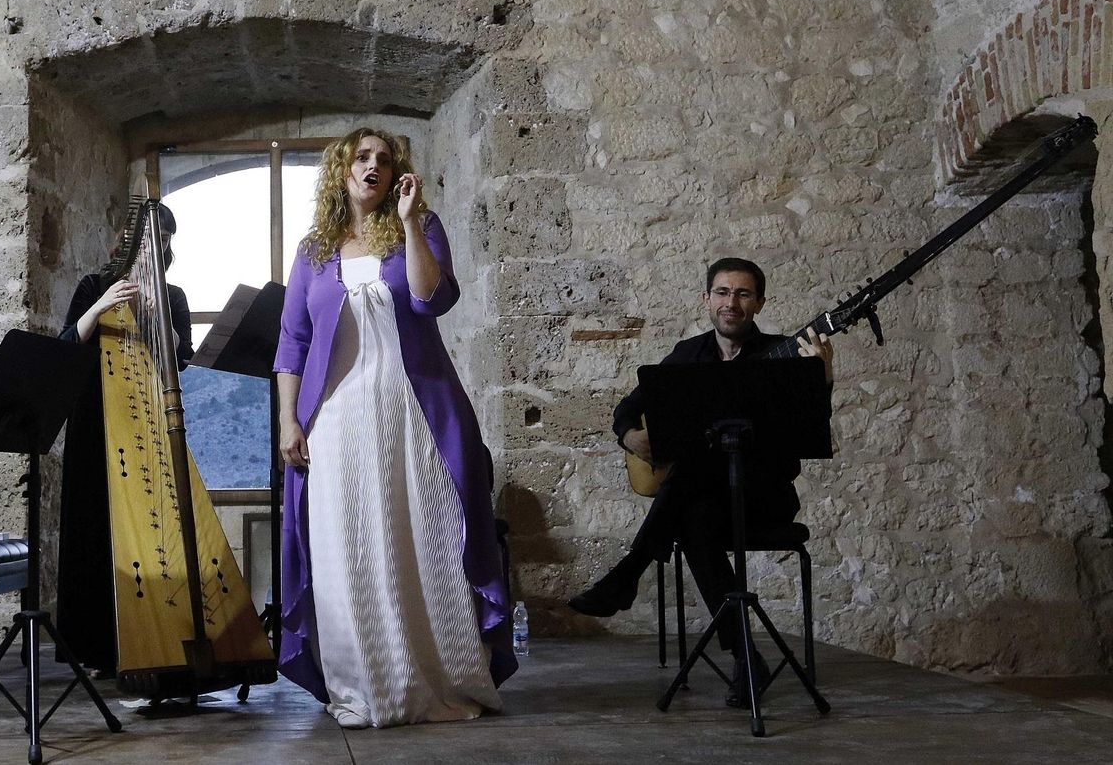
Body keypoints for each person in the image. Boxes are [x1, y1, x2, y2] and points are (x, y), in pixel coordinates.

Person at [274, 127, 516, 729]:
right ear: (342, 170)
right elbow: (292, 344)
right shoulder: (313, 252)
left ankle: (441, 680)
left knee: (423, 543)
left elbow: (430, 298)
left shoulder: (423, 228)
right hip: (336, 420)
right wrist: (288, 420)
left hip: (413, 414)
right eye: (362, 157)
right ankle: (362, 686)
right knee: (345, 547)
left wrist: (409, 223)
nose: (374, 167)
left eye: (385, 159)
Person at [567, 257, 834, 705]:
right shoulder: (687, 356)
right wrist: (630, 436)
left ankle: (629, 572)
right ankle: (747, 657)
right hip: (704, 504)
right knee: (695, 518)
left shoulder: (784, 355)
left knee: (695, 484)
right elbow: (627, 410)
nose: (732, 302)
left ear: (760, 303)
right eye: (723, 292)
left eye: (744, 294)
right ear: (707, 300)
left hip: (764, 497)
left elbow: (811, 428)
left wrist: (821, 379)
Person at [55, 202, 193, 674]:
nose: (163, 246)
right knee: (95, 526)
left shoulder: (172, 296)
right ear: (130, 241)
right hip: (95, 419)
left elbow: (181, 363)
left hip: (148, 423)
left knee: (151, 528)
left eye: (169, 238)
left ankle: (157, 633)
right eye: (156, 236)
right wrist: (101, 306)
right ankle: (95, 648)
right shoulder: (95, 286)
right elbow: (66, 344)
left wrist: (162, 324)